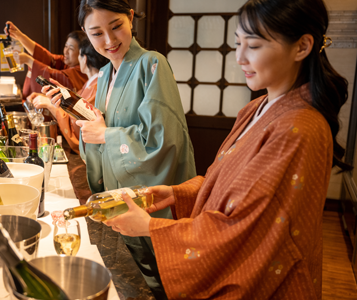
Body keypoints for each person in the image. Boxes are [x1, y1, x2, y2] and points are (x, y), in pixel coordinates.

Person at [104, 0, 352, 298]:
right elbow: (226, 187)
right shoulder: (255, 108)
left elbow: (248, 230)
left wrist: (151, 228)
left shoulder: (300, 129)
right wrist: (176, 193)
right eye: (238, 43)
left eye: (255, 46)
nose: (240, 58)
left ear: (302, 47)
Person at [61, 0, 197, 298]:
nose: (109, 41)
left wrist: (107, 135)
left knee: (164, 283)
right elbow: (97, 138)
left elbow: (161, 142)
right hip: (118, 201)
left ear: (131, 18)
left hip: (152, 203)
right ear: (85, 33)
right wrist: (91, 128)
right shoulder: (108, 73)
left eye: (116, 27)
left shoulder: (152, 64)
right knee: (136, 280)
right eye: (96, 33)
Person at [31, 38, 108, 154]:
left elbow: (78, 123)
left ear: (84, 58)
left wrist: (51, 106)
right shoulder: (91, 83)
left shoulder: (96, 87)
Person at [4, 22, 88, 98]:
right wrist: (20, 36)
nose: (65, 51)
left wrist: (29, 60)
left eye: (71, 49)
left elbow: (59, 77)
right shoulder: (66, 62)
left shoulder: (81, 72)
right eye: (66, 46)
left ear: (82, 53)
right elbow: (46, 57)